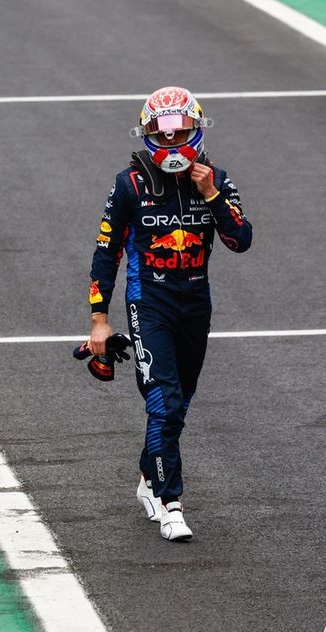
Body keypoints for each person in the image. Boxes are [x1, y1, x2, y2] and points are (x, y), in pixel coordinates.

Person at [87, 86, 253, 542]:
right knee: (162, 401)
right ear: (147, 138)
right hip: (149, 302)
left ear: (197, 132)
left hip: (195, 305)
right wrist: (99, 319)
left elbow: (241, 239)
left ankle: (147, 479)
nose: (173, 145)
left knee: (177, 408)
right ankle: (170, 502)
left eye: (182, 134)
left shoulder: (216, 178)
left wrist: (212, 195)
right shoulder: (128, 185)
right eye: (164, 136)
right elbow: (107, 252)